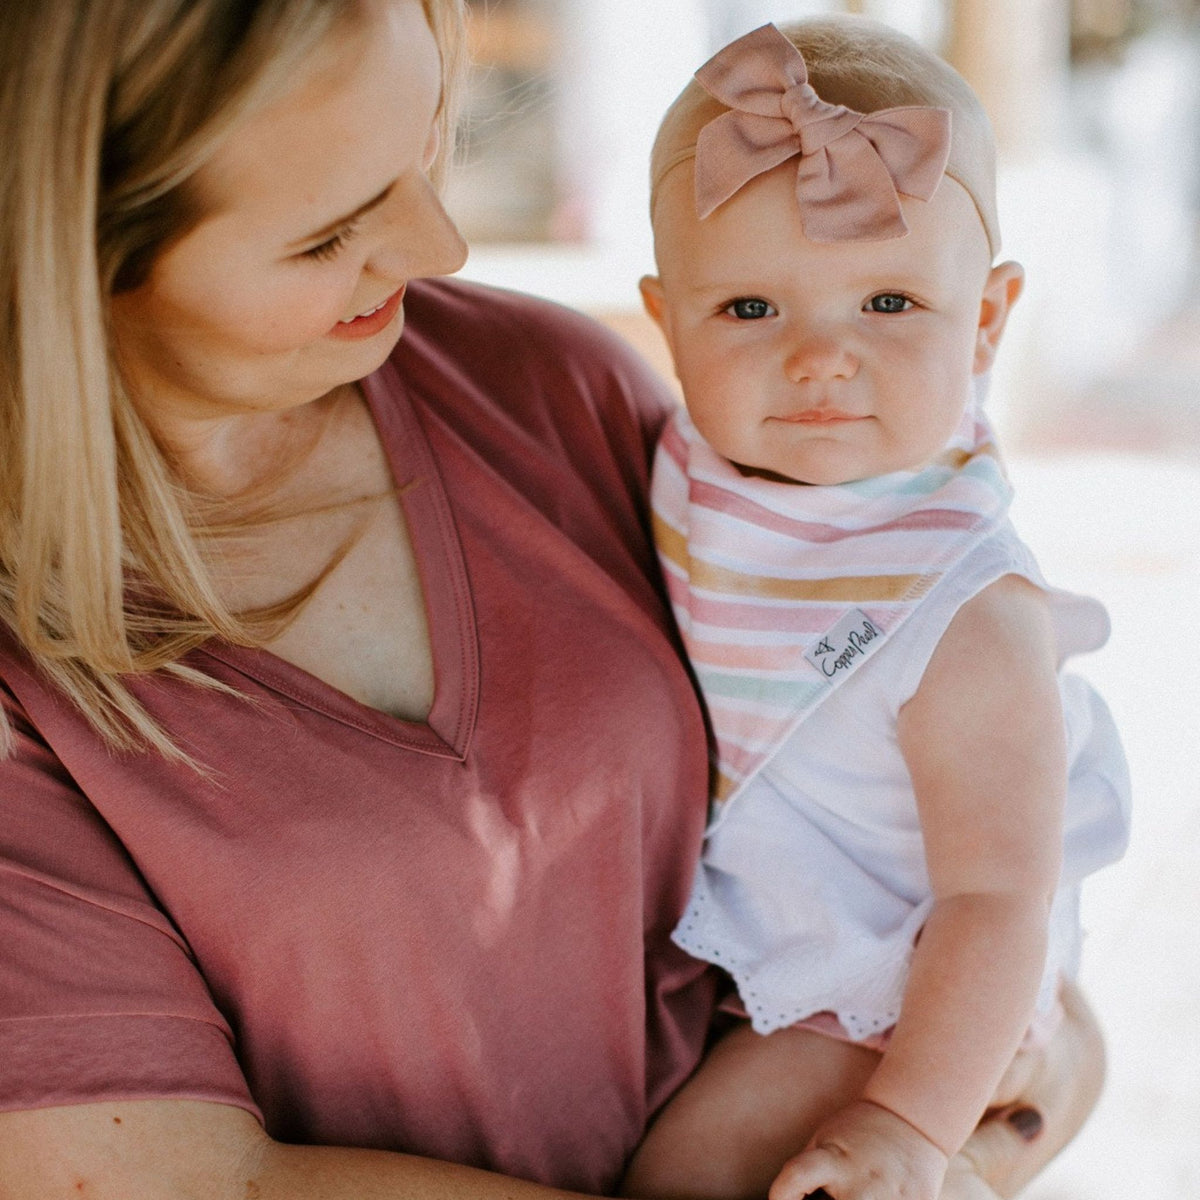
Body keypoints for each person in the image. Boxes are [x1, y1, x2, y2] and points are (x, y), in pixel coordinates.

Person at [0, 2, 1110, 1197]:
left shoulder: (540, 388)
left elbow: (998, 944)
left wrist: (976, 1120)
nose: (440, 246)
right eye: (329, 234)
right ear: (70, 254)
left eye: (432, 147)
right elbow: (187, 1184)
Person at [622, 18, 1130, 1200]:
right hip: (790, 933)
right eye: (749, 310)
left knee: (690, 1175)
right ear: (666, 321)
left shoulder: (957, 612)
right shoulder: (701, 462)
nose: (819, 359)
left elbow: (995, 896)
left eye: (890, 303)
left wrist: (908, 1124)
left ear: (989, 320)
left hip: (908, 989)